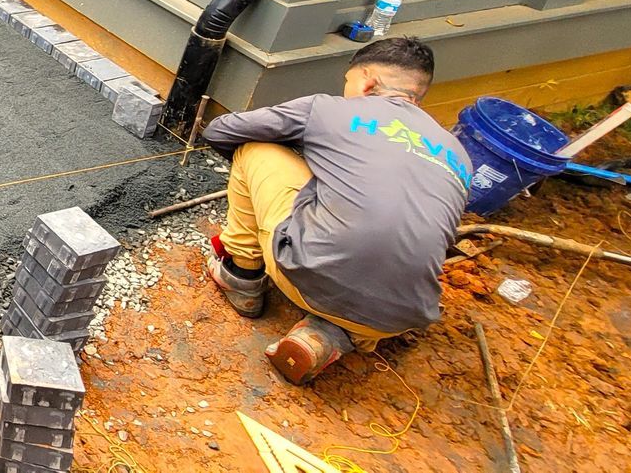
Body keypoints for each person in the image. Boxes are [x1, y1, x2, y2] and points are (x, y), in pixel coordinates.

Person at [200, 37, 472, 384]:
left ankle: (242, 276)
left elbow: (222, 130)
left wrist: (299, 148)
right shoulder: (457, 153)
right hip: (399, 315)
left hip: (309, 275)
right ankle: (332, 336)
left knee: (254, 149)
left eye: (348, 82)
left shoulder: (329, 110)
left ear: (368, 80)